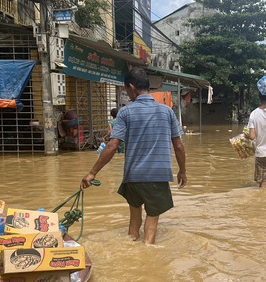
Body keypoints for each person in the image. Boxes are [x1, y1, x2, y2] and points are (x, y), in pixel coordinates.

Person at [80, 67, 187, 244]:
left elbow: (112, 146)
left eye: (126, 90)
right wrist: (182, 171)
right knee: (151, 223)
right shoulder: (167, 111)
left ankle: (131, 249)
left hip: (133, 176)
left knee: (134, 221)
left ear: (131, 87)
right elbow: (179, 146)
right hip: (157, 176)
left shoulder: (125, 112)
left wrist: (92, 173)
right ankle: (146, 257)